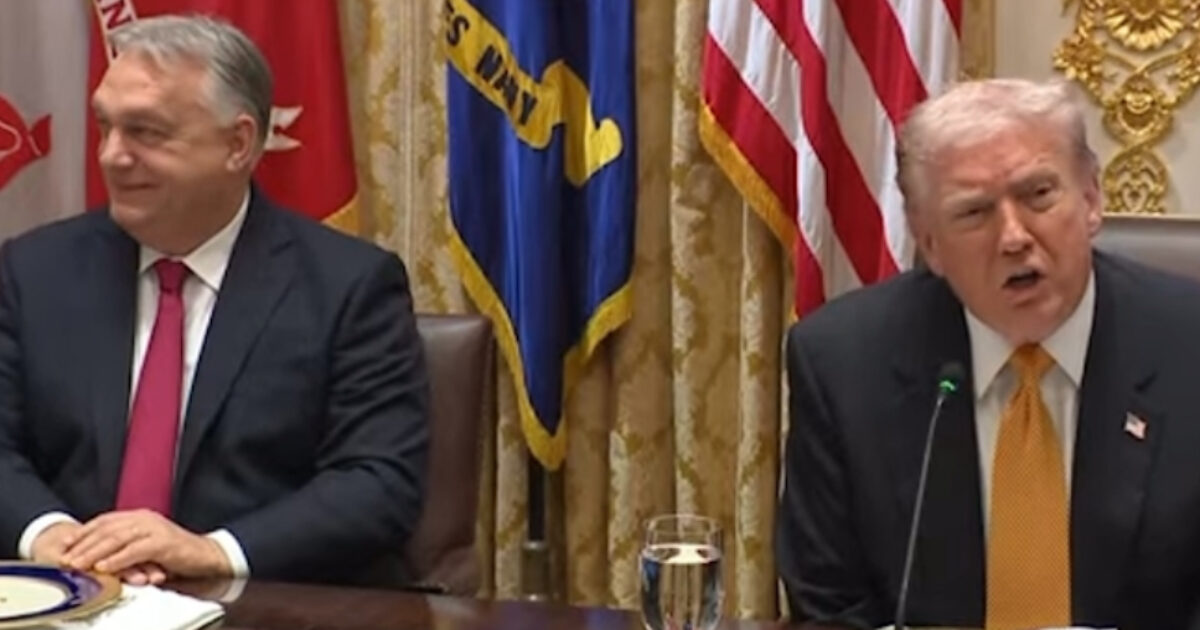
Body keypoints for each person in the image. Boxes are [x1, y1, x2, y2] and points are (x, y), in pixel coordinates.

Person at [0, 15, 429, 586]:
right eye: (106, 127)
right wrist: (49, 532)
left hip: (264, 606)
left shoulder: (348, 287)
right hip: (73, 596)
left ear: (239, 143)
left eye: (146, 132)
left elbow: (378, 480)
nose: (110, 156)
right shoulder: (34, 272)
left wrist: (210, 551)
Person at [776, 78, 1200, 629]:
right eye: (974, 213)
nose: (1014, 236)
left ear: (1092, 198)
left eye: (1039, 194)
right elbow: (827, 603)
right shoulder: (843, 362)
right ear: (929, 243)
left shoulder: (1188, 344)